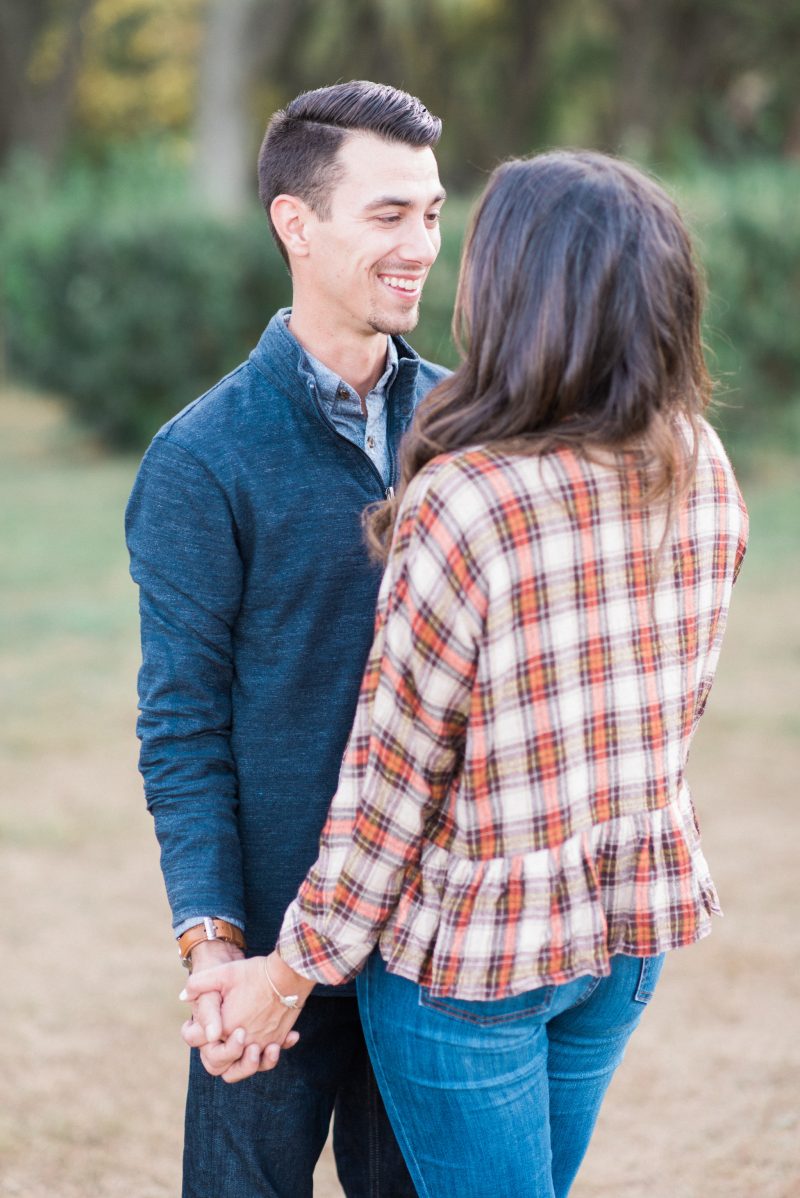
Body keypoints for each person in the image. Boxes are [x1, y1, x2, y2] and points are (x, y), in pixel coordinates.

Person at [183, 151, 749, 1196]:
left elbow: (389, 792)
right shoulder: (697, 460)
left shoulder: (469, 500)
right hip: (622, 937)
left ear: (520, 294)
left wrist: (286, 974)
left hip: (472, 971)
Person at [125, 80, 448, 1198]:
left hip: (436, 941)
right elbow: (181, 725)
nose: (420, 245)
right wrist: (215, 949)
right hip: (273, 949)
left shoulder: (472, 428)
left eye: (431, 214)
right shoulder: (200, 457)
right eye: (389, 214)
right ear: (295, 225)